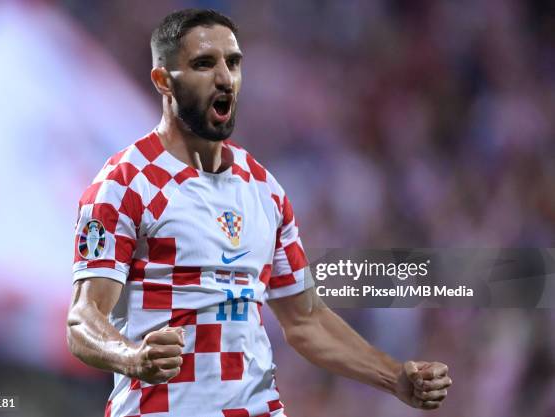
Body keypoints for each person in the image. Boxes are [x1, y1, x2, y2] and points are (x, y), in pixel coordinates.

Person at [66, 8, 452, 417]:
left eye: (232, 63)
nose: (224, 78)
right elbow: (83, 320)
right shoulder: (125, 183)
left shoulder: (263, 189)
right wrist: (131, 357)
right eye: (203, 64)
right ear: (163, 80)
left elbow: (306, 321)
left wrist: (394, 378)